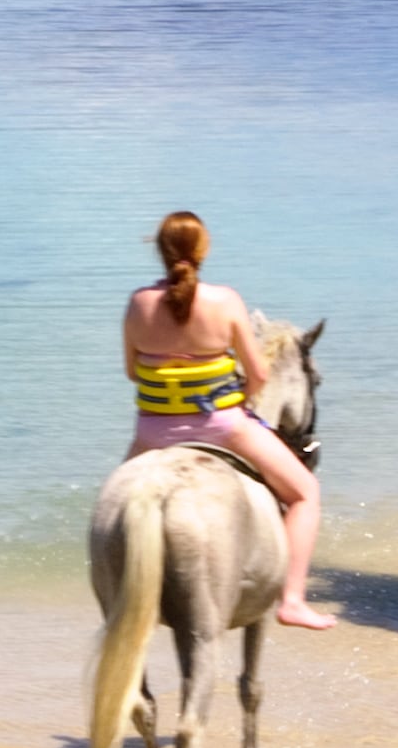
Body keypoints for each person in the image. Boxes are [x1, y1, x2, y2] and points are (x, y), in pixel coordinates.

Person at [126, 210, 337, 631]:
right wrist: (233, 392)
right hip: (223, 427)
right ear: (203, 250)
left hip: (151, 432)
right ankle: (292, 601)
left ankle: (121, 595)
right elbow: (257, 374)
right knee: (305, 493)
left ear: (160, 250)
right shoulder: (225, 301)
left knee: (115, 510)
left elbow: (133, 371)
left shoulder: (138, 303)